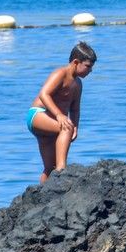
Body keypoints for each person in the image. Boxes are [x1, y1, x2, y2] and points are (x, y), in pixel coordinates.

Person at [27, 41, 97, 182]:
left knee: (49, 167)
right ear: (76, 62)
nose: (90, 71)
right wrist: (59, 115)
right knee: (66, 127)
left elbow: (75, 108)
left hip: (52, 123)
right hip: (38, 114)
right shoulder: (60, 73)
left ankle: (44, 195)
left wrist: (76, 126)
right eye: (88, 67)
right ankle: (62, 170)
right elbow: (44, 94)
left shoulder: (78, 84)